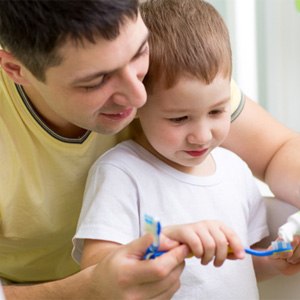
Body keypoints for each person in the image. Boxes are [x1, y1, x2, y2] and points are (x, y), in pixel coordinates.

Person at [0, 0, 300, 299]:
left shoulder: (162, 50)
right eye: (97, 81)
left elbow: (279, 151)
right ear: (16, 69)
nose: (139, 95)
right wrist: (94, 286)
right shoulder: (119, 172)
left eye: (140, 53)